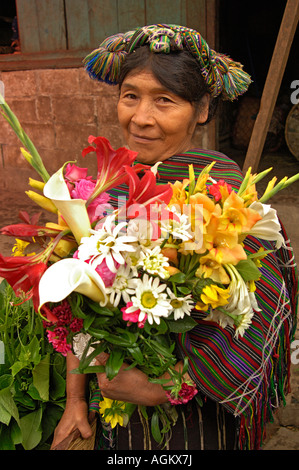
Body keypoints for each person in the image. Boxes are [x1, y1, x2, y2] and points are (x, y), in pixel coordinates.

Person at [50, 24, 298, 451]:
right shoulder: (106, 192)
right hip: (113, 414)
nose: (141, 117)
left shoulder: (227, 196)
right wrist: (76, 402)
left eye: (164, 100)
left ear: (201, 110)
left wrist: (163, 387)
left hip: (196, 420)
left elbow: (258, 312)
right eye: (130, 96)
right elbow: (78, 296)